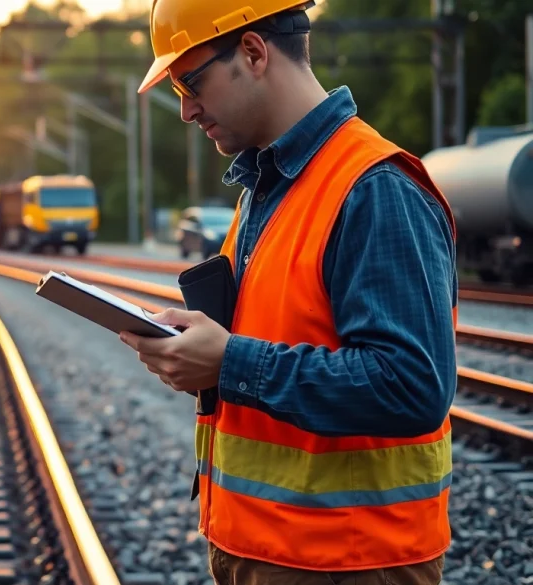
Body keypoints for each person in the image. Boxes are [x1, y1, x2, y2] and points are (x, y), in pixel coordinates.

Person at [118, 1, 458, 584]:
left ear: (252, 51)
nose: (186, 109)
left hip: (350, 562)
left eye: (191, 81)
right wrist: (200, 353)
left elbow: (412, 387)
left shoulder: (374, 188)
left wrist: (229, 362)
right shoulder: (265, 189)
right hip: (267, 550)